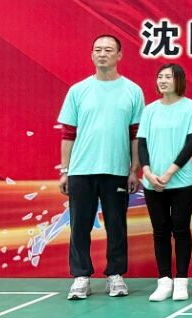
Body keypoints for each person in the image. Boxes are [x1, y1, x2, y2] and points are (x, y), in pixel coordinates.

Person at [58, 34, 145, 300]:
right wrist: (65, 170)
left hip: (116, 170)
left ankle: (115, 275)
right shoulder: (78, 90)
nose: (102, 54)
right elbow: (68, 134)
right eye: (98, 50)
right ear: (92, 55)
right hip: (81, 170)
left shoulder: (132, 91)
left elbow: (136, 134)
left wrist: (134, 169)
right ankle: (81, 276)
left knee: (116, 225)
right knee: (80, 225)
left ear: (119, 55)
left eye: (108, 50)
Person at [137, 63, 192, 302]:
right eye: (160, 77)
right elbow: (142, 143)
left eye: (168, 77)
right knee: (160, 231)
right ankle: (164, 280)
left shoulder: (191, 108)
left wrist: (169, 173)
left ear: (179, 81)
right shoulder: (150, 110)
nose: (163, 81)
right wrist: (147, 172)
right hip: (153, 182)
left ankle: (181, 281)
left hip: (182, 182)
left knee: (181, 228)